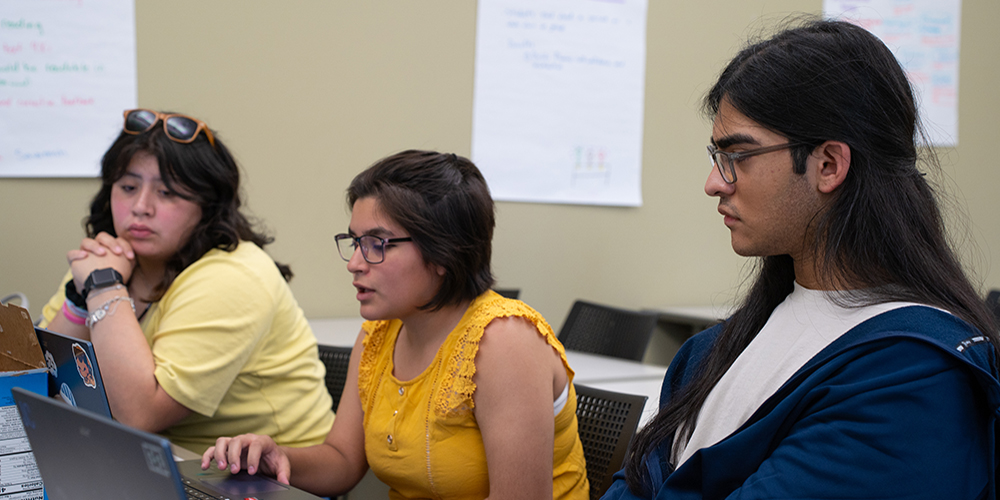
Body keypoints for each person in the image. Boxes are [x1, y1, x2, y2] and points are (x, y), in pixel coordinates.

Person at [603, 19, 1000, 499]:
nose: (714, 182)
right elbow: (634, 484)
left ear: (829, 165)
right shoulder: (712, 352)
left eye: (737, 156)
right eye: (716, 156)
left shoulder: (913, 377)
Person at [202, 150, 590, 499]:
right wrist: (277, 457)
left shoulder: (505, 340)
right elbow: (341, 461)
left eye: (377, 243)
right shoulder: (380, 332)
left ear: (444, 254)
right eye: (354, 242)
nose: (355, 262)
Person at [39, 109, 334, 454]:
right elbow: (38, 383)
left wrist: (104, 287)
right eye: (128, 187)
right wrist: (80, 297)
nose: (141, 207)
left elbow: (140, 414)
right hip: (140, 462)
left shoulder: (232, 276)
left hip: (262, 477)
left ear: (207, 206)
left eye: (168, 193)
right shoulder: (106, 263)